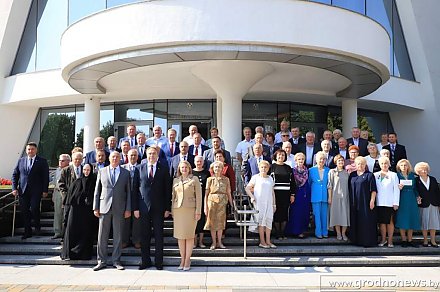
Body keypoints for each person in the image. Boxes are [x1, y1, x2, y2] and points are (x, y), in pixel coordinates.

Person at [92, 151, 131, 271]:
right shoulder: (102, 171)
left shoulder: (125, 173)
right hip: (104, 207)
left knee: (118, 236)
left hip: (120, 207)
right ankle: (101, 261)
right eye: (113, 157)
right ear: (109, 158)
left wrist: (128, 208)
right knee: (102, 236)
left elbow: (129, 192)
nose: (115, 159)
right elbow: (97, 190)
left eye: (117, 157)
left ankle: (116, 261)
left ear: (120, 159)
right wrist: (95, 207)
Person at [134, 147, 171, 270]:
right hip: (143, 208)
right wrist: (135, 208)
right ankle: (145, 261)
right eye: (149, 153)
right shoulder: (139, 168)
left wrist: (167, 208)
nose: (151, 155)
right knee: (144, 236)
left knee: (159, 236)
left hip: (159, 209)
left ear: (157, 155)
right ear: (146, 154)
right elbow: (135, 190)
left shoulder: (164, 169)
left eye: (154, 153)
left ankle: (158, 262)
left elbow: (167, 190)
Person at [12, 142, 49, 239]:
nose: (30, 151)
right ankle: (27, 231)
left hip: (36, 191)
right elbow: (15, 175)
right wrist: (14, 188)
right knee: (24, 211)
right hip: (23, 191)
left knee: (34, 208)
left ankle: (37, 226)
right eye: (28, 149)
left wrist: (45, 190)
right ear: (26, 150)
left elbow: (45, 177)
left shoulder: (42, 161)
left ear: (36, 150)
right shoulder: (21, 161)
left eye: (32, 149)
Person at [61, 164, 96, 260]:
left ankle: (84, 254)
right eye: (84, 170)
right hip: (75, 212)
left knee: (86, 232)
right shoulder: (76, 182)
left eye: (88, 170)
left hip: (88, 213)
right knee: (72, 230)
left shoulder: (94, 182)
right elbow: (69, 198)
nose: (86, 172)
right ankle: (71, 254)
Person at [172, 161, 202, 271]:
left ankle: (187, 260)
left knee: (189, 236)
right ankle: (182, 259)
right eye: (182, 167)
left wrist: (198, 211)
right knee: (180, 236)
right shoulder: (176, 180)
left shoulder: (194, 180)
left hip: (190, 211)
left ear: (189, 168)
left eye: (186, 167)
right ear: (179, 169)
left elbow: (199, 197)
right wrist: (172, 211)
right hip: (178, 211)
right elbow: (173, 196)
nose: (184, 169)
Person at [245, 160, 276, 248]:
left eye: (265, 167)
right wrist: (252, 197)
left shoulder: (270, 178)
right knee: (261, 222)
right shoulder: (256, 177)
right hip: (259, 202)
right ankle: (262, 242)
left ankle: (268, 241)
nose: (263, 169)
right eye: (262, 167)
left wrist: (274, 204)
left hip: (269, 202)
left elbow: (272, 192)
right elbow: (247, 188)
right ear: (259, 168)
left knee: (269, 221)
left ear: (268, 168)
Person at [348, 156, 378, 247]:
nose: (360, 165)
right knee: (355, 220)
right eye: (358, 164)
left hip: (365, 202)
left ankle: (367, 241)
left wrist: (372, 201)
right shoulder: (352, 175)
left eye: (362, 164)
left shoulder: (369, 175)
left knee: (366, 221)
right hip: (354, 202)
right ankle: (355, 240)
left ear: (365, 165)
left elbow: (373, 190)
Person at [204, 161, 233, 250]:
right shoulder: (209, 179)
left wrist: (232, 204)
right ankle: (214, 242)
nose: (217, 169)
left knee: (220, 222)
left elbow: (228, 192)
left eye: (219, 167)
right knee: (212, 223)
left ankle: (219, 242)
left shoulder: (226, 179)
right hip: (212, 201)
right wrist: (205, 206)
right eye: (215, 167)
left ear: (222, 168)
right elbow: (206, 193)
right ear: (213, 169)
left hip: (222, 201)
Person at [270, 150, 296, 240]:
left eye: (283, 155)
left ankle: (283, 233)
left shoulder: (288, 168)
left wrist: (292, 194)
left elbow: (292, 182)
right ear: (276, 156)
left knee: (285, 213)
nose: (281, 156)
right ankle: (277, 233)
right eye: (279, 155)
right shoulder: (272, 167)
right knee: (277, 213)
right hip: (275, 193)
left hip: (286, 193)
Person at [375, 156, 400, 248]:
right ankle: (383, 240)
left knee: (390, 222)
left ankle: (390, 241)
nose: (384, 165)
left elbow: (396, 189)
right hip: (379, 202)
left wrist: (396, 203)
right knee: (382, 222)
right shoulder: (375, 175)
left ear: (389, 164)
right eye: (382, 163)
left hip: (390, 202)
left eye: (386, 163)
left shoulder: (393, 175)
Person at [395, 159, 420, 247]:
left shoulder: (412, 175)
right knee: (403, 218)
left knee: (411, 218)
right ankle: (404, 240)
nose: (403, 167)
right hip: (402, 198)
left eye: (405, 165)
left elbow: (415, 188)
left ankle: (410, 240)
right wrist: (398, 187)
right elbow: (393, 188)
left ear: (408, 166)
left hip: (411, 198)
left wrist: (417, 196)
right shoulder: (396, 175)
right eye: (401, 165)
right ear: (399, 167)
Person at [414, 162, 440, 248]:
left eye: (425, 169)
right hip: (423, 204)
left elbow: (437, 192)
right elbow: (415, 191)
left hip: (433, 204)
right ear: (418, 171)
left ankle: (433, 240)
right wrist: (417, 197)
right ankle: (425, 240)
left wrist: (439, 204)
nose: (424, 171)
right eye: (422, 170)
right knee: (424, 223)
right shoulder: (416, 180)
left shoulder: (433, 179)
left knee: (433, 223)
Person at [285, 152, 310, 238]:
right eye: (299, 159)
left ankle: (302, 231)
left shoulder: (307, 170)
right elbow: (291, 183)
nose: (301, 161)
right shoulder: (292, 170)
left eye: (302, 159)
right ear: (295, 160)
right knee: (295, 213)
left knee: (304, 213)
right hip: (296, 194)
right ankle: (294, 231)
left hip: (305, 194)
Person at [121, 149, 141, 249]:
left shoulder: (141, 168)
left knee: (137, 220)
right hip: (125, 197)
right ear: (127, 156)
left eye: (134, 155)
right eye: (131, 155)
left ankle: (136, 240)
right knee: (125, 220)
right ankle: (125, 240)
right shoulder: (122, 168)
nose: (133, 157)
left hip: (137, 197)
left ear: (137, 157)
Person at [327, 154, 350, 241]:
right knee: (336, 215)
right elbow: (330, 185)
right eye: (339, 161)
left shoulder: (346, 172)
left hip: (345, 196)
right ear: (336, 162)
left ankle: (344, 233)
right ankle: (338, 233)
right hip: (335, 196)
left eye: (342, 161)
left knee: (345, 215)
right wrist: (330, 197)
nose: (341, 162)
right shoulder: (332, 172)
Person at [308, 151, 330, 239]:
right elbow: (309, 182)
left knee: (324, 214)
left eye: (324, 159)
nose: (322, 160)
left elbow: (330, 183)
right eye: (320, 159)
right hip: (315, 195)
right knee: (316, 215)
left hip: (325, 195)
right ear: (316, 160)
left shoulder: (328, 170)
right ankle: (318, 232)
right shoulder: (311, 170)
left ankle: (325, 232)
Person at [51, 154, 71, 239]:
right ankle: (57, 232)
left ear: (68, 162)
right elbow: (55, 183)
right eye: (60, 160)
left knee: (66, 214)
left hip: (67, 193)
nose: (60, 162)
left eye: (63, 161)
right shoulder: (57, 170)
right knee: (57, 213)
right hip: (57, 193)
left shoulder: (70, 170)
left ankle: (65, 233)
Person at [192, 156, 210, 248]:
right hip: (193, 200)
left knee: (202, 221)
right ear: (194, 162)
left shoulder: (207, 173)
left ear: (203, 162)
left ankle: (201, 242)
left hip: (203, 199)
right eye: (197, 161)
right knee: (194, 221)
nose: (199, 163)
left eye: (200, 161)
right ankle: (194, 242)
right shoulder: (191, 172)